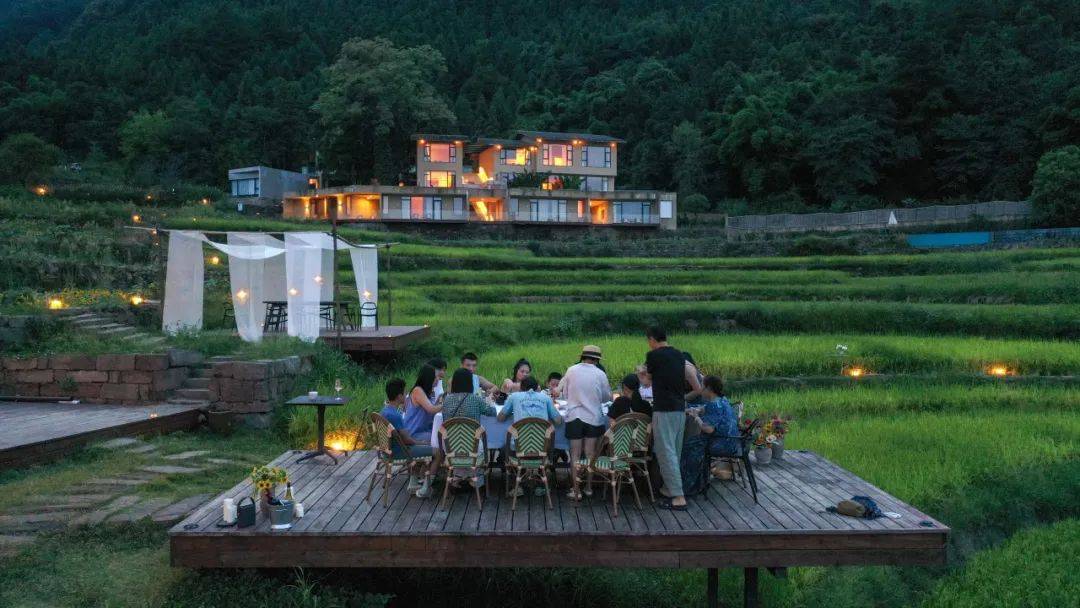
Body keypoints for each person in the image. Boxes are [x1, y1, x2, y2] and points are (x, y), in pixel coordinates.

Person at [417, 368, 497, 498]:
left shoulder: (447, 400)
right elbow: (492, 412)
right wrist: (490, 401)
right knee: (481, 443)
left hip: (451, 449)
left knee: (461, 447)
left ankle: (458, 478)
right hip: (474, 449)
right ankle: (474, 479)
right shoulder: (475, 399)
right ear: (469, 383)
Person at [645, 326, 701, 511]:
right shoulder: (679, 355)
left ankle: (678, 497)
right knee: (674, 451)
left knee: (665, 451)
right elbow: (692, 383)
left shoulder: (653, 356)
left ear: (652, 339)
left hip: (664, 409)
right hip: (679, 409)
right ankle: (669, 490)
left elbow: (648, 380)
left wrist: (642, 373)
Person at [558, 345, 610, 501]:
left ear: (582, 356)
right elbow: (606, 397)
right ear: (597, 359)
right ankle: (588, 488)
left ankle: (576, 490)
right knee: (590, 454)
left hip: (574, 417)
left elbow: (565, 394)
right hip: (593, 418)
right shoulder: (600, 374)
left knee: (574, 454)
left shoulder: (571, 370)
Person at [498, 375, 564, 497]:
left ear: (521, 388)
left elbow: (500, 418)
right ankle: (540, 485)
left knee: (504, 448)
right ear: (537, 387)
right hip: (542, 450)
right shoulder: (545, 398)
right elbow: (559, 421)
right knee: (548, 444)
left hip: (519, 448)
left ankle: (519, 485)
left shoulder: (514, 397)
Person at [379, 378, 435, 492]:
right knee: (437, 451)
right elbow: (408, 441)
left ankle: (414, 482)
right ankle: (426, 486)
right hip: (399, 452)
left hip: (387, 450)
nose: (406, 395)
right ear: (399, 396)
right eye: (404, 393)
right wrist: (423, 443)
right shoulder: (395, 416)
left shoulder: (385, 410)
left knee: (421, 444)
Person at [692, 375, 741, 458]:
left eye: (702, 386)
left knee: (687, 447)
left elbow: (709, 429)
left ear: (709, 389)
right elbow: (706, 407)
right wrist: (698, 409)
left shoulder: (714, 405)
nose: (700, 389)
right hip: (732, 441)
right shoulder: (721, 399)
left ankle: (698, 470)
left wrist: (696, 417)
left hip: (721, 444)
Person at [402, 365, 441, 443]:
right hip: (413, 433)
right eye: (436, 377)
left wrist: (440, 401)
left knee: (444, 432)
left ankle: (439, 454)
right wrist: (447, 403)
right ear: (429, 378)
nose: (438, 379)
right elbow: (431, 409)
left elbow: (431, 409)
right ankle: (438, 454)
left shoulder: (429, 392)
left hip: (424, 430)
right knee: (443, 436)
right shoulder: (418, 390)